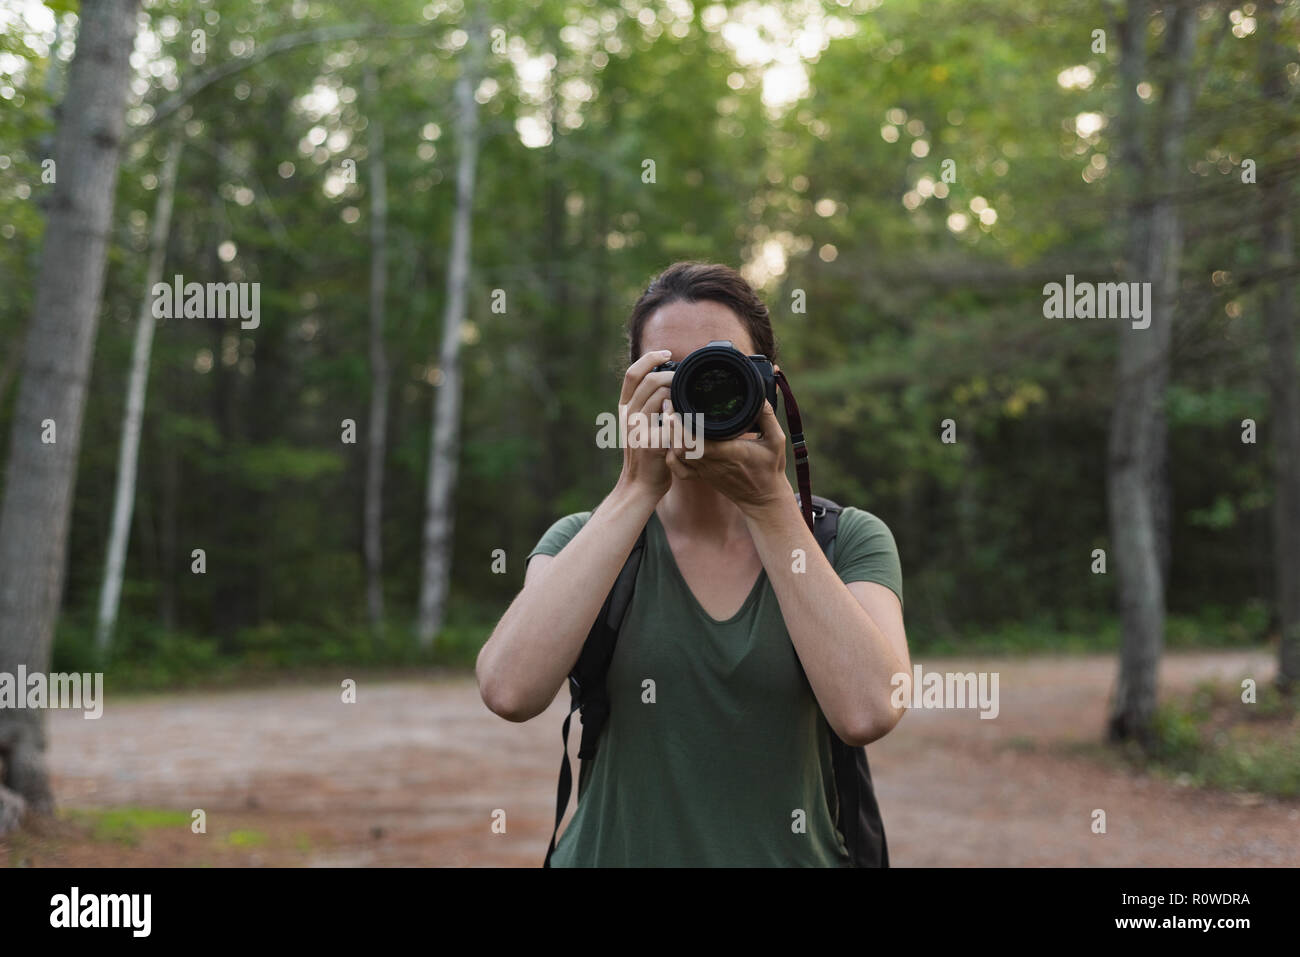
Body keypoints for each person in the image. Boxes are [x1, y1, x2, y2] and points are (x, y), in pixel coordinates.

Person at [476, 261, 909, 866]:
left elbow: (869, 709)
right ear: (632, 391)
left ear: (768, 385)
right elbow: (507, 691)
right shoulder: (583, 540)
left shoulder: (845, 541)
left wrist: (771, 509)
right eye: (669, 372)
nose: (698, 391)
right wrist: (633, 490)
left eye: (719, 367)